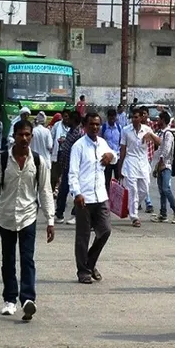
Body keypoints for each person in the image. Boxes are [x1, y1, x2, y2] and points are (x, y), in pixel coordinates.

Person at [0, 120, 55, 321]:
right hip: (6, 216)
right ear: (14, 136)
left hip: (28, 216)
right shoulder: (3, 160)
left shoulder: (39, 162)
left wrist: (50, 221)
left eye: (27, 135)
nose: (24, 139)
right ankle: (9, 300)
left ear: (31, 137)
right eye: (21, 135)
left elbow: (45, 191)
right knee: (8, 260)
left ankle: (27, 300)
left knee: (27, 259)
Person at [68, 112, 118, 284]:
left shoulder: (102, 143)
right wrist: (77, 193)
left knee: (105, 231)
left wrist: (111, 156)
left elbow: (114, 156)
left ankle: (89, 262)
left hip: (101, 196)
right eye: (91, 124)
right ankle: (83, 271)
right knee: (83, 237)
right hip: (85, 198)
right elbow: (73, 173)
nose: (95, 127)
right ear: (85, 125)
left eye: (97, 124)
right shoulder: (79, 146)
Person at [118, 107, 153, 227]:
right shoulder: (126, 130)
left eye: (136, 117)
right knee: (133, 190)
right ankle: (134, 217)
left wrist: (151, 136)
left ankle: (132, 206)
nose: (134, 119)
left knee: (144, 189)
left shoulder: (147, 129)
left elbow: (159, 142)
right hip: (130, 162)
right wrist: (120, 167)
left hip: (143, 163)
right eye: (132, 117)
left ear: (141, 118)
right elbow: (122, 149)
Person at [148, 111, 175, 224]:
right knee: (162, 190)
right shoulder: (161, 133)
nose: (157, 121)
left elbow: (166, 150)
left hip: (165, 165)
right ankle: (163, 213)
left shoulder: (168, 134)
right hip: (159, 165)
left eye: (159, 119)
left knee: (166, 188)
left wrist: (160, 163)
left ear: (163, 120)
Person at [55, 111, 83, 225]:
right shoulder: (70, 131)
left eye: (68, 119)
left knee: (75, 191)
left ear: (73, 120)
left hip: (74, 167)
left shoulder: (79, 133)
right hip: (66, 166)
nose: (66, 121)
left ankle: (76, 214)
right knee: (63, 191)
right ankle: (59, 214)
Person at [101, 108, 123, 191]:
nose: (112, 120)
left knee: (118, 179)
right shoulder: (103, 128)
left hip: (117, 156)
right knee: (107, 179)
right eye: (110, 118)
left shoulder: (119, 128)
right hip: (107, 157)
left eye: (114, 118)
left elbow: (121, 142)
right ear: (108, 117)